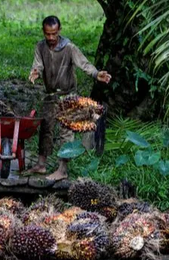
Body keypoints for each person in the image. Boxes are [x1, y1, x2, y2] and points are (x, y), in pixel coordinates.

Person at [26, 15, 111, 181]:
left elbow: (84, 64)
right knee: (46, 128)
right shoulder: (40, 47)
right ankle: (41, 164)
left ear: (59, 31)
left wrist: (96, 74)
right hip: (51, 95)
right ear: (43, 32)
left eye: (54, 34)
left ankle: (62, 169)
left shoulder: (69, 48)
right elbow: (37, 64)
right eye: (47, 34)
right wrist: (35, 72)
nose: (51, 38)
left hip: (68, 96)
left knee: (66, 132)